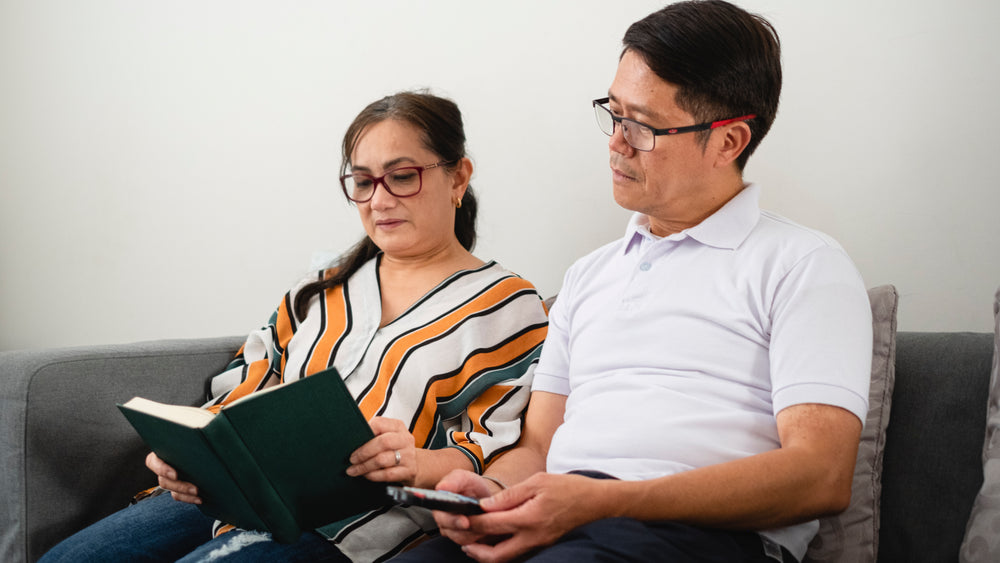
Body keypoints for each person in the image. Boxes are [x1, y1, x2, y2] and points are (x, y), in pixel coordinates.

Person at [391, 2, 872, 562]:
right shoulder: (590, 274)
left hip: (696, 537)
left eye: (641, 126)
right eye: (613, 114)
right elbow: (541, 445)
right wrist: (496, 495)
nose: (616, 142)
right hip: (567, 524)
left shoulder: (803, 264)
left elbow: (821, 475)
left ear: (729, 142)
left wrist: (603, 502)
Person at [39, 91, 549, 563]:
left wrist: (417, 461)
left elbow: (497, 445)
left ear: (458, 177)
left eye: (402, 175)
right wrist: (189, 456)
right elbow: (251, 375)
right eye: (363, 180)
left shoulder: (508, 304)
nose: (379, 199)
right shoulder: (324, 285)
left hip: (355, 519)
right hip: (232, 491)